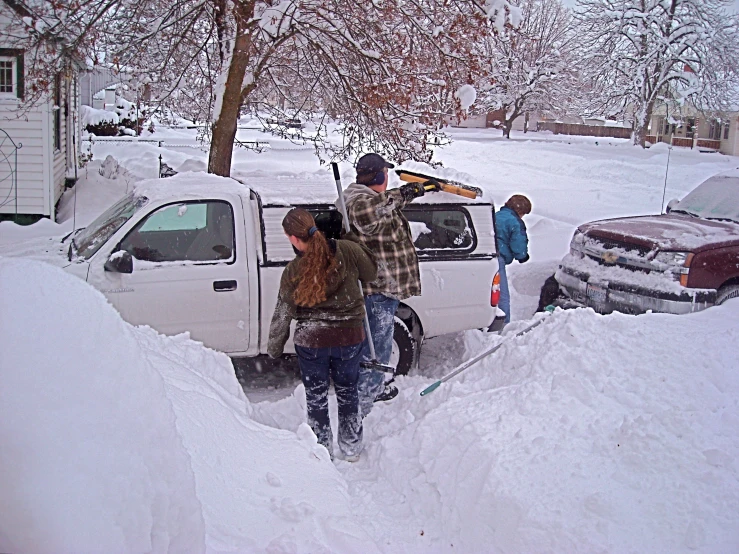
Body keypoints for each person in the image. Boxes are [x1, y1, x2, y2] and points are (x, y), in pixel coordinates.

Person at [268, 208, 377, 462]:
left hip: (311, 340)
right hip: (348, 336)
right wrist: (354, 240)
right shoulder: (347, 250)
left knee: (316, 395)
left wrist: (274, 346)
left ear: (294, 238)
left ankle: (321, 450)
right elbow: (371, 271)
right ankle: (351, 447)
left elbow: (283, 313)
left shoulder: (294, 270)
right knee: (348, 390)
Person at [339, 153, 438, 413]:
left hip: (383, 288)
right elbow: (369, 214)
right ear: (379, 175)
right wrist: (404, 192)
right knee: (376, 348)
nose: (387, 177)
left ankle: (372, 389)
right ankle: (364, 403)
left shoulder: (371, 199)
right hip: (376, 290)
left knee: (376, 344)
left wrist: (412, 194)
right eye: (385, 172)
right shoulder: (358, 200)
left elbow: (382, 209)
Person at [494, 194, 532, 324]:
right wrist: (522, 256)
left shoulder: (496, 215)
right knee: (502, 297)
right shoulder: (515, 222)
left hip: (485, 257)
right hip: (498, 260)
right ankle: (503, 325)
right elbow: (518, 242)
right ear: (519, 211)